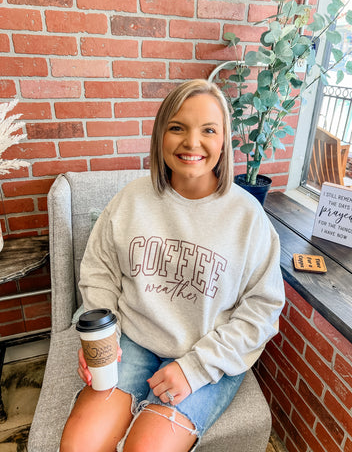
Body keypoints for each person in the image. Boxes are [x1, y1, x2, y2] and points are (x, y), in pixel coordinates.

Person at [60, 79, 285, 452]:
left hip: (210, 353)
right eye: (177, 127)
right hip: (133, 340)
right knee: (80, 445)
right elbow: (100, 272)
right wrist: (101, 339)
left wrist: (194, 369)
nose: (192, 142)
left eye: (208, 130)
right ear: (159, 134)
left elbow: (261, 311)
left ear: (225, 139)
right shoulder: (131, 200)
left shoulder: (248, 219)